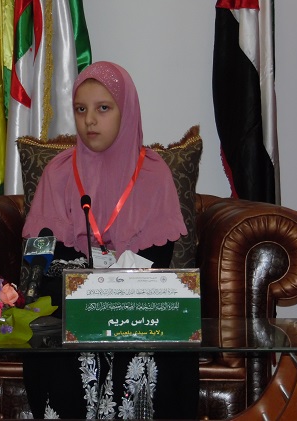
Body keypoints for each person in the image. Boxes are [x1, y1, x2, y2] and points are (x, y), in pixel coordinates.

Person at [21, 61, 199, 419]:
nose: (89, 121)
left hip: (138, 305)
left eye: (103, 108)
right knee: (54, 342)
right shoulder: (57, 173)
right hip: (71, 306)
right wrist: (87, 289)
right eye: (80, 109)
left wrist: (109, 288)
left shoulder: (154, 174)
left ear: (126, 111)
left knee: (164, 347)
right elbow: (46, 258)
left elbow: (157, 259)